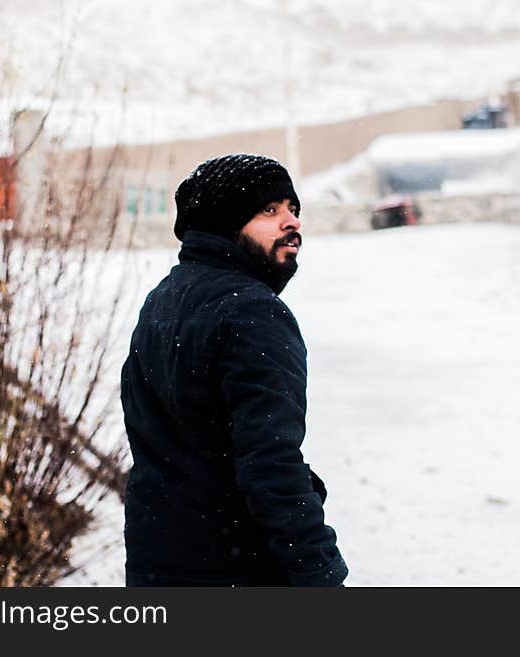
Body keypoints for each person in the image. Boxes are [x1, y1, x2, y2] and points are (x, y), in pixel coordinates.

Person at [121, 153, 348, 587]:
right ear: (227, 223)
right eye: (270, 210)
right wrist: (320, 573)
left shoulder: (162, 301)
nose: (292, 222)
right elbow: (270, 464)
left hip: (159, 565)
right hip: (237, 568)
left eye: (293, 209)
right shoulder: (254, 313)